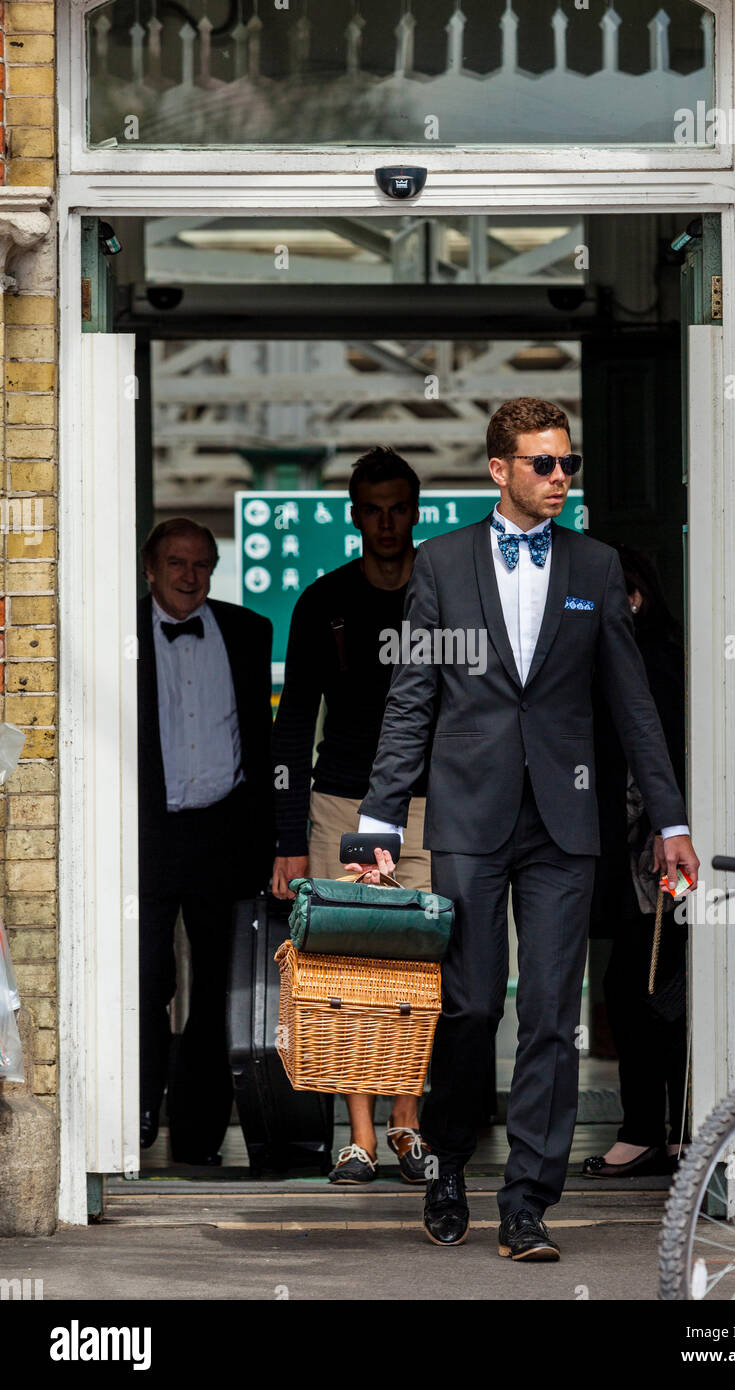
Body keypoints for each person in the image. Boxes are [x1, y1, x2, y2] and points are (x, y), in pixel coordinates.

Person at [357, 397, 699, 1261]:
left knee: (550, 1015)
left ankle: (526, 1203)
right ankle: (447, 1162)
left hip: (565, 821)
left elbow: (634, 708)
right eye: (543, 464)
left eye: (567, 464)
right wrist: (377, 824)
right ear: (498, 470)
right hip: (469, 816)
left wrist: (671, 820)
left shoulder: (595, 565)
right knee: (471, 1009)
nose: (559, 478)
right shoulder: (440, 564)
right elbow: (412, 702)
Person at [271, 448, 433, 1185]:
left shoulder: (443, 593)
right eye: (373, 508)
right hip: (337, 796)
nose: (388, 522)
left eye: (399, 507)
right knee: (346, 968)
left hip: (432, 803)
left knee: (423, 968)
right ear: (354, 515)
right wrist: (286, 838)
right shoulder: (321, 601)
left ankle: (410, 1127)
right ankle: (359, 1138)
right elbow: (292, 722)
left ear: (417, 510)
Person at [137, 518, 274, 1165]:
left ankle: (197, 1135)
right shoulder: (122, 632)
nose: (189, 577)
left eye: (201, 565)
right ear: (150, 569)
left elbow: (267, 741)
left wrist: (276, 838)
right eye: (176, 564)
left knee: (222, 988)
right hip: (146, 835)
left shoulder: (249, 632)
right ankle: (135, 1112)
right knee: (143, 977)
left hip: (224, 834)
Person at [583, 547, 690, 1179]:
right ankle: (666, 1131)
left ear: (636, 597)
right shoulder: (613, 659)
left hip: (658, 854)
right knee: (649, 987)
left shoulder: (654, 658)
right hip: (633, 855)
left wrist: (661, 823)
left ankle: (651, 1130)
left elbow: (667, 749)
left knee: (644, 989)